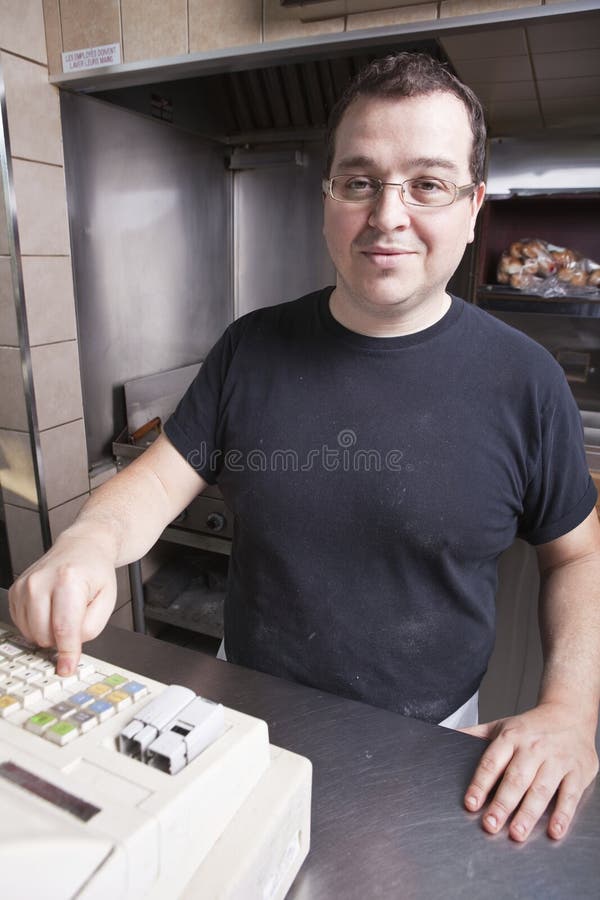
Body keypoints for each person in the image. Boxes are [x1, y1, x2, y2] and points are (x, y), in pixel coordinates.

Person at [9, 53, 600, 844]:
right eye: (359, 181)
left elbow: (578, 555)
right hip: (239, 713)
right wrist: (86, 541)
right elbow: (152, 486)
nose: (387, 215)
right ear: (328, 198)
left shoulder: (526, 381)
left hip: (434, 743)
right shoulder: (251, 348)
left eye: (427, 184)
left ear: (472, 207)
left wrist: (570, 709)